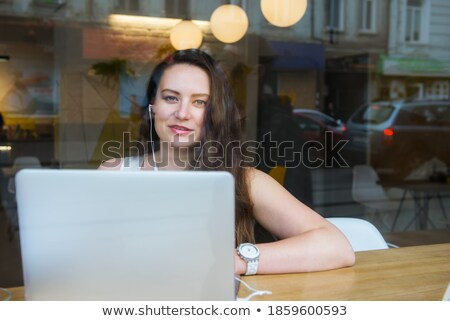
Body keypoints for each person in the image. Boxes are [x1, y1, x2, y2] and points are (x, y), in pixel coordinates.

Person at [99, 49, 355, 275]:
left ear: (214, 114)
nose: (183, 113)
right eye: (171, 98)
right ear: (153, 105)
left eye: (200, 102)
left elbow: (337, 247)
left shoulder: (244, 180)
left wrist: (238, 260)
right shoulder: (115, 174)